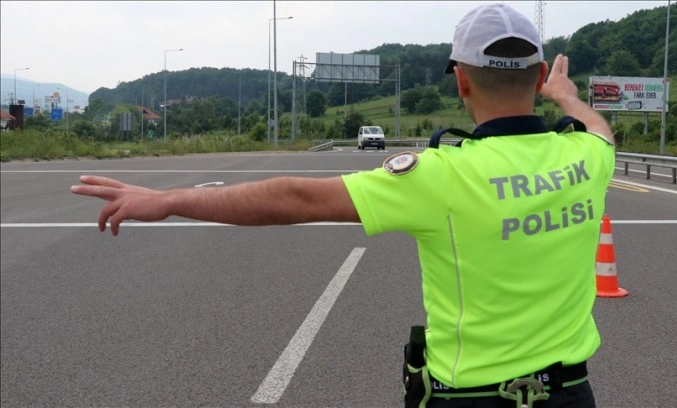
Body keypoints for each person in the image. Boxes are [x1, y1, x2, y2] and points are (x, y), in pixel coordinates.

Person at [71, 3, 614, 407]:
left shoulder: (443, 174)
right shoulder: (587, 157)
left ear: (461, 80)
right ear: (540, 77)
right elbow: (599, 129)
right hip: (571, 393)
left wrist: (167, 199)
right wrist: (567, 98)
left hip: (471, 398)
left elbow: (295, 196)